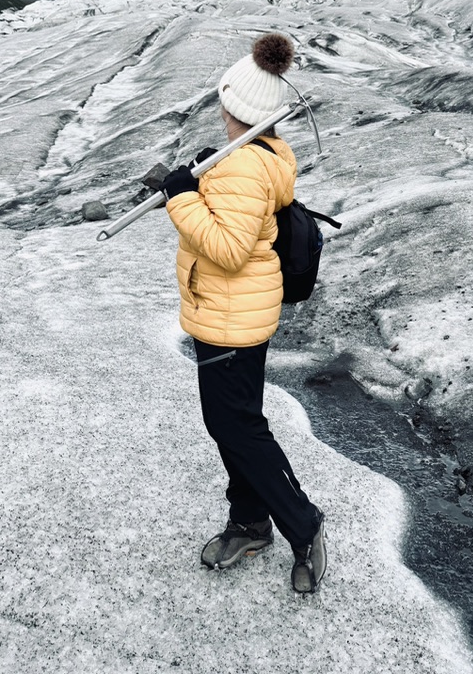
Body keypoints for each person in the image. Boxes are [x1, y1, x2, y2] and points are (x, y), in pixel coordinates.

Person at [159, 32, 326, 594]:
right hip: (237, 313)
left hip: (231, 314)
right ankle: (250, 522)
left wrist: (182, 195)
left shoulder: (241, 168)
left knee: (236, 425)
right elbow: (243, 223)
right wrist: (204, 179)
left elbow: (228, 250)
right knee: (234, 422)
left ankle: (302, 524)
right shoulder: (262, 155)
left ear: (231, 106)